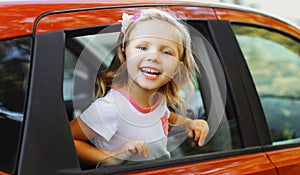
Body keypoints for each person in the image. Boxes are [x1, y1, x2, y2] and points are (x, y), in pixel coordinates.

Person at [70, 8, 209, 165]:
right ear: (125, 54)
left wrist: (190, 124)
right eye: (143, 48)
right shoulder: (111, 107)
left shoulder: (157, 99)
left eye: (166, 52)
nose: (153, 57)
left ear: (177, 67)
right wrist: (111, 156)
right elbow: (67, 139)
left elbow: (165, 117)